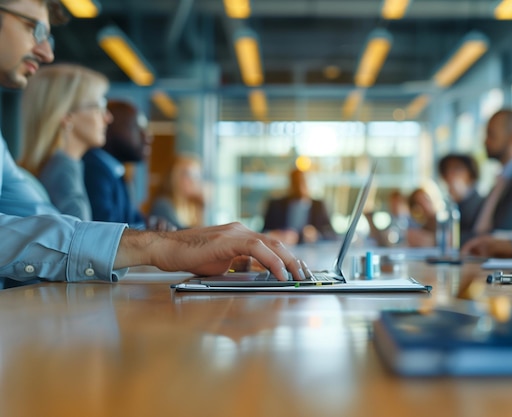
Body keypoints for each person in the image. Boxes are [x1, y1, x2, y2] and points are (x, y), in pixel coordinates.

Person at [0, 0, 306, 287]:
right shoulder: (71, 170)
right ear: (65, 115)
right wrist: (161, 246)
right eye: (33, 28)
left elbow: (50, 233)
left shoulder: (29, 167)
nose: (46, 52)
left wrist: (169, 244)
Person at [18, 63, 112, 220]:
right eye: (100, 105)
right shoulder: (62, 170)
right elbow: (80, 241)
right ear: (67, 116)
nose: (108, 117)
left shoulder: (64, 166)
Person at [82, 99, 151, 228]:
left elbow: (134, 220)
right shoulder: (93, 171)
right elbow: (108, 231)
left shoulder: (113, 172)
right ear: (108, 128)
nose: (147, 136)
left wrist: (152, 224)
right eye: (136, 127)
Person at [262, 168, 336, 244]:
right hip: (283, 249)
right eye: (296, 182)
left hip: (311, 252)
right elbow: (264, 232)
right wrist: (274, 235)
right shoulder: (276, 205)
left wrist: (316, 235)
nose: (300, 187)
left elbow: (332, 234)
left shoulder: (318, 206)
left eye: (303, 182)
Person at [438, 153, 484, 244]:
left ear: (471, 173)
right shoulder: (446, 203)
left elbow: (477, 234)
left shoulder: (482, 202)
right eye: (447, 169)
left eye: (457, 169)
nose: (451, 173)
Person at [149, 154, 205, 229]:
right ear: (174, 177)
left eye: (197, 175)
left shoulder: (189, 206)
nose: (194, 180)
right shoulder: (162, 205)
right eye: (189, 174)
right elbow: (180, 235)